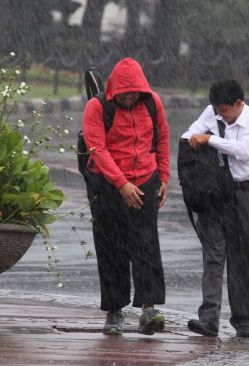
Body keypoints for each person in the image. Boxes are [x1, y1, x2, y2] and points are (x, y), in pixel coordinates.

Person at [81, 57, 170, 336]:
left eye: (135, 92)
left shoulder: (152, 103)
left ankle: (148, 309)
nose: (130, 97)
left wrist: (165, 177)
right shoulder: (97, 107)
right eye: (125, 93)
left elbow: (163, 139)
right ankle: (114, 312)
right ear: (114, 90)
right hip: (107, 186)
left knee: (147, 245)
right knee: (111, 248)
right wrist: (121, 184)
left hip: (145, 180)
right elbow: (97, 149)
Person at [181, 79, 249, 338]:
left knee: (244, 259)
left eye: (224, 110)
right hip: (213, 196)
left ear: (239, 104)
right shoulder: (212, 113)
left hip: (244, 194)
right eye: (217, 110)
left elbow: (245, 152)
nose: (220, 115)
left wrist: (210, 140)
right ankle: (208, 319)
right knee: (213, 256)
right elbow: (189, 137)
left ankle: (244, 322)